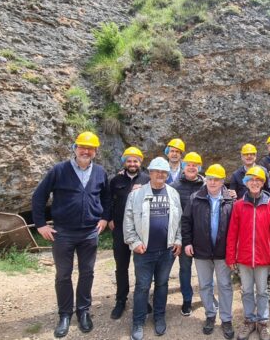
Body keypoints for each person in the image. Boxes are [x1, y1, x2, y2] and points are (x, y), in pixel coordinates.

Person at [31, 131, 111, 338]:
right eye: (82, 147)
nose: (86, 151)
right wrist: (40, 224)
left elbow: (107, 198)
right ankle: (65, 314)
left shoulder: (100, 172)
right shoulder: (59, 170)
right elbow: (39, 196)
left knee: (87, 273)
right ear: (75, 148)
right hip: (63, 233)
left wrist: (104, 218)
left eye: (90, 148)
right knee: (63, 275)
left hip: (89, 233)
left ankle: (83, 311)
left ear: (95, 152)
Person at [124, 157, 183, 340]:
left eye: (164, 172)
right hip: (144, 251)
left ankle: (159, 316)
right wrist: (134, 243)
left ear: (167, 174)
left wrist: (178, 240)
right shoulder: (136, 195)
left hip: (166, 251)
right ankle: (138, 321)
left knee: (162, 284)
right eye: (156, 171)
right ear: (149, 173)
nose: (160, 174)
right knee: (142, 287)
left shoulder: (173, 193)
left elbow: (179, 221)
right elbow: (128, 223)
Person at [226, 166, 270, 340]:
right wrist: (230, 256)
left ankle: (262, 322)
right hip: (243, 257)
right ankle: (249, 320)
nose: (255, 183)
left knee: (263, 291)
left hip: (264, 257)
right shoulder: (239, 205)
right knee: (247, 290)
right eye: (251, 180)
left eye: (258, 180)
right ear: (246, 182)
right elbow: (232, 232)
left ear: (263, 183)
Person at [181, 164, 236, 339]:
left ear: (222, 181)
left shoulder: (231, 200)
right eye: (210, 178)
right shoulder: (195, 197)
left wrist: (233, 251)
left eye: (217, 179)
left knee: (225, 286)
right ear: (206, 180)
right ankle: (210, 315)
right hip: (201, 251)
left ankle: (226, 319)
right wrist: (187, 242)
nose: (213, 182)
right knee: (205, 285)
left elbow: (236, 228)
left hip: (222, 253)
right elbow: (186, 222)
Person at [108, 146, 150, 320]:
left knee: (142, 267)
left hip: (141, 229)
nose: (132, 163)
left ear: (141, 162)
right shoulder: (115, 180)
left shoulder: (147, 179)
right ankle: (120, 300)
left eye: (136, 160)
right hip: (119, 229)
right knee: (121, 267)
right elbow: (107, 200)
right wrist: (109, 217)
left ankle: (143, 299)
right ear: (124, 162)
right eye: (129, 160)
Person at [170, 151, 205, 316]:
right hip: (182, 236)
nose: (191, 167)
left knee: (205, 269)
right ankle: (187, 300)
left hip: (201, 236)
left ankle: (207, 297)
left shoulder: (206, 186)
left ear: (199, 167)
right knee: (185, 269)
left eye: (195, 165)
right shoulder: (174, 187)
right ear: (183, 166)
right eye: (188, 164)